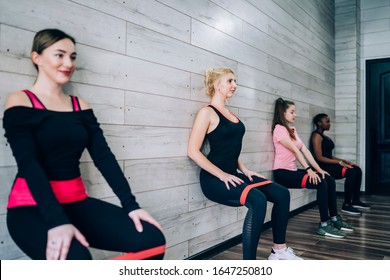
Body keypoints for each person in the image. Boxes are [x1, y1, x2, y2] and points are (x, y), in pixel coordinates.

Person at [2, 29, 165, 260]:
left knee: (152, 241)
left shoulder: (80, 105)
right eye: (59, 55)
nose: (68, 63)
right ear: (36, 57)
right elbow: (29, 163)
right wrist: (57, 221)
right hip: (32, 207)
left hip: (77, 202)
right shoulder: (20, 101)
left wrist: (131, 205)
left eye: (73, 56)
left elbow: (104, 157)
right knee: (80, 261)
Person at [187, 67, 302, 260]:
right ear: (217, 85)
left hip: (233, 174)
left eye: (235, 81)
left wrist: (245, 169)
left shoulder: (229, 113)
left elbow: (230, 148)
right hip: (214, 179)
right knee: (257, 200)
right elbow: (192, 151)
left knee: (281, 193)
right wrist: (222, 174)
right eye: (230, 81)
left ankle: (279, 252)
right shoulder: (206, 113)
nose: (235, 85)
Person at [272, 98, 354, 239]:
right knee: (321, 183)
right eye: (292, 112)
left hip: (292, 171)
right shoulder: (279, 130)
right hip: (282, 173)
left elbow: (305, 151)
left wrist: (319, 170)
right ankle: (324, 225)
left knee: (327, 178)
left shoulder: (292, 130)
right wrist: (309, 170)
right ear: (282, 113)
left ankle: (334, 218)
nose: (295, 115)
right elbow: (296, 152)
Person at [310, 113, 371, 215]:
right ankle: (346, 205)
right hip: (322, 167)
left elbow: (329, 156)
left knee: (356, 169)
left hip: (328, 163)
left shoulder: (324, 137)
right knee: (351, 172)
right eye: (327, 121)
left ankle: (355, 200)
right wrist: (339, 162)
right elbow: (319, 157)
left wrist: (344, 161)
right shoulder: (316, 136)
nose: (330, 124)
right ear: (319, 123)